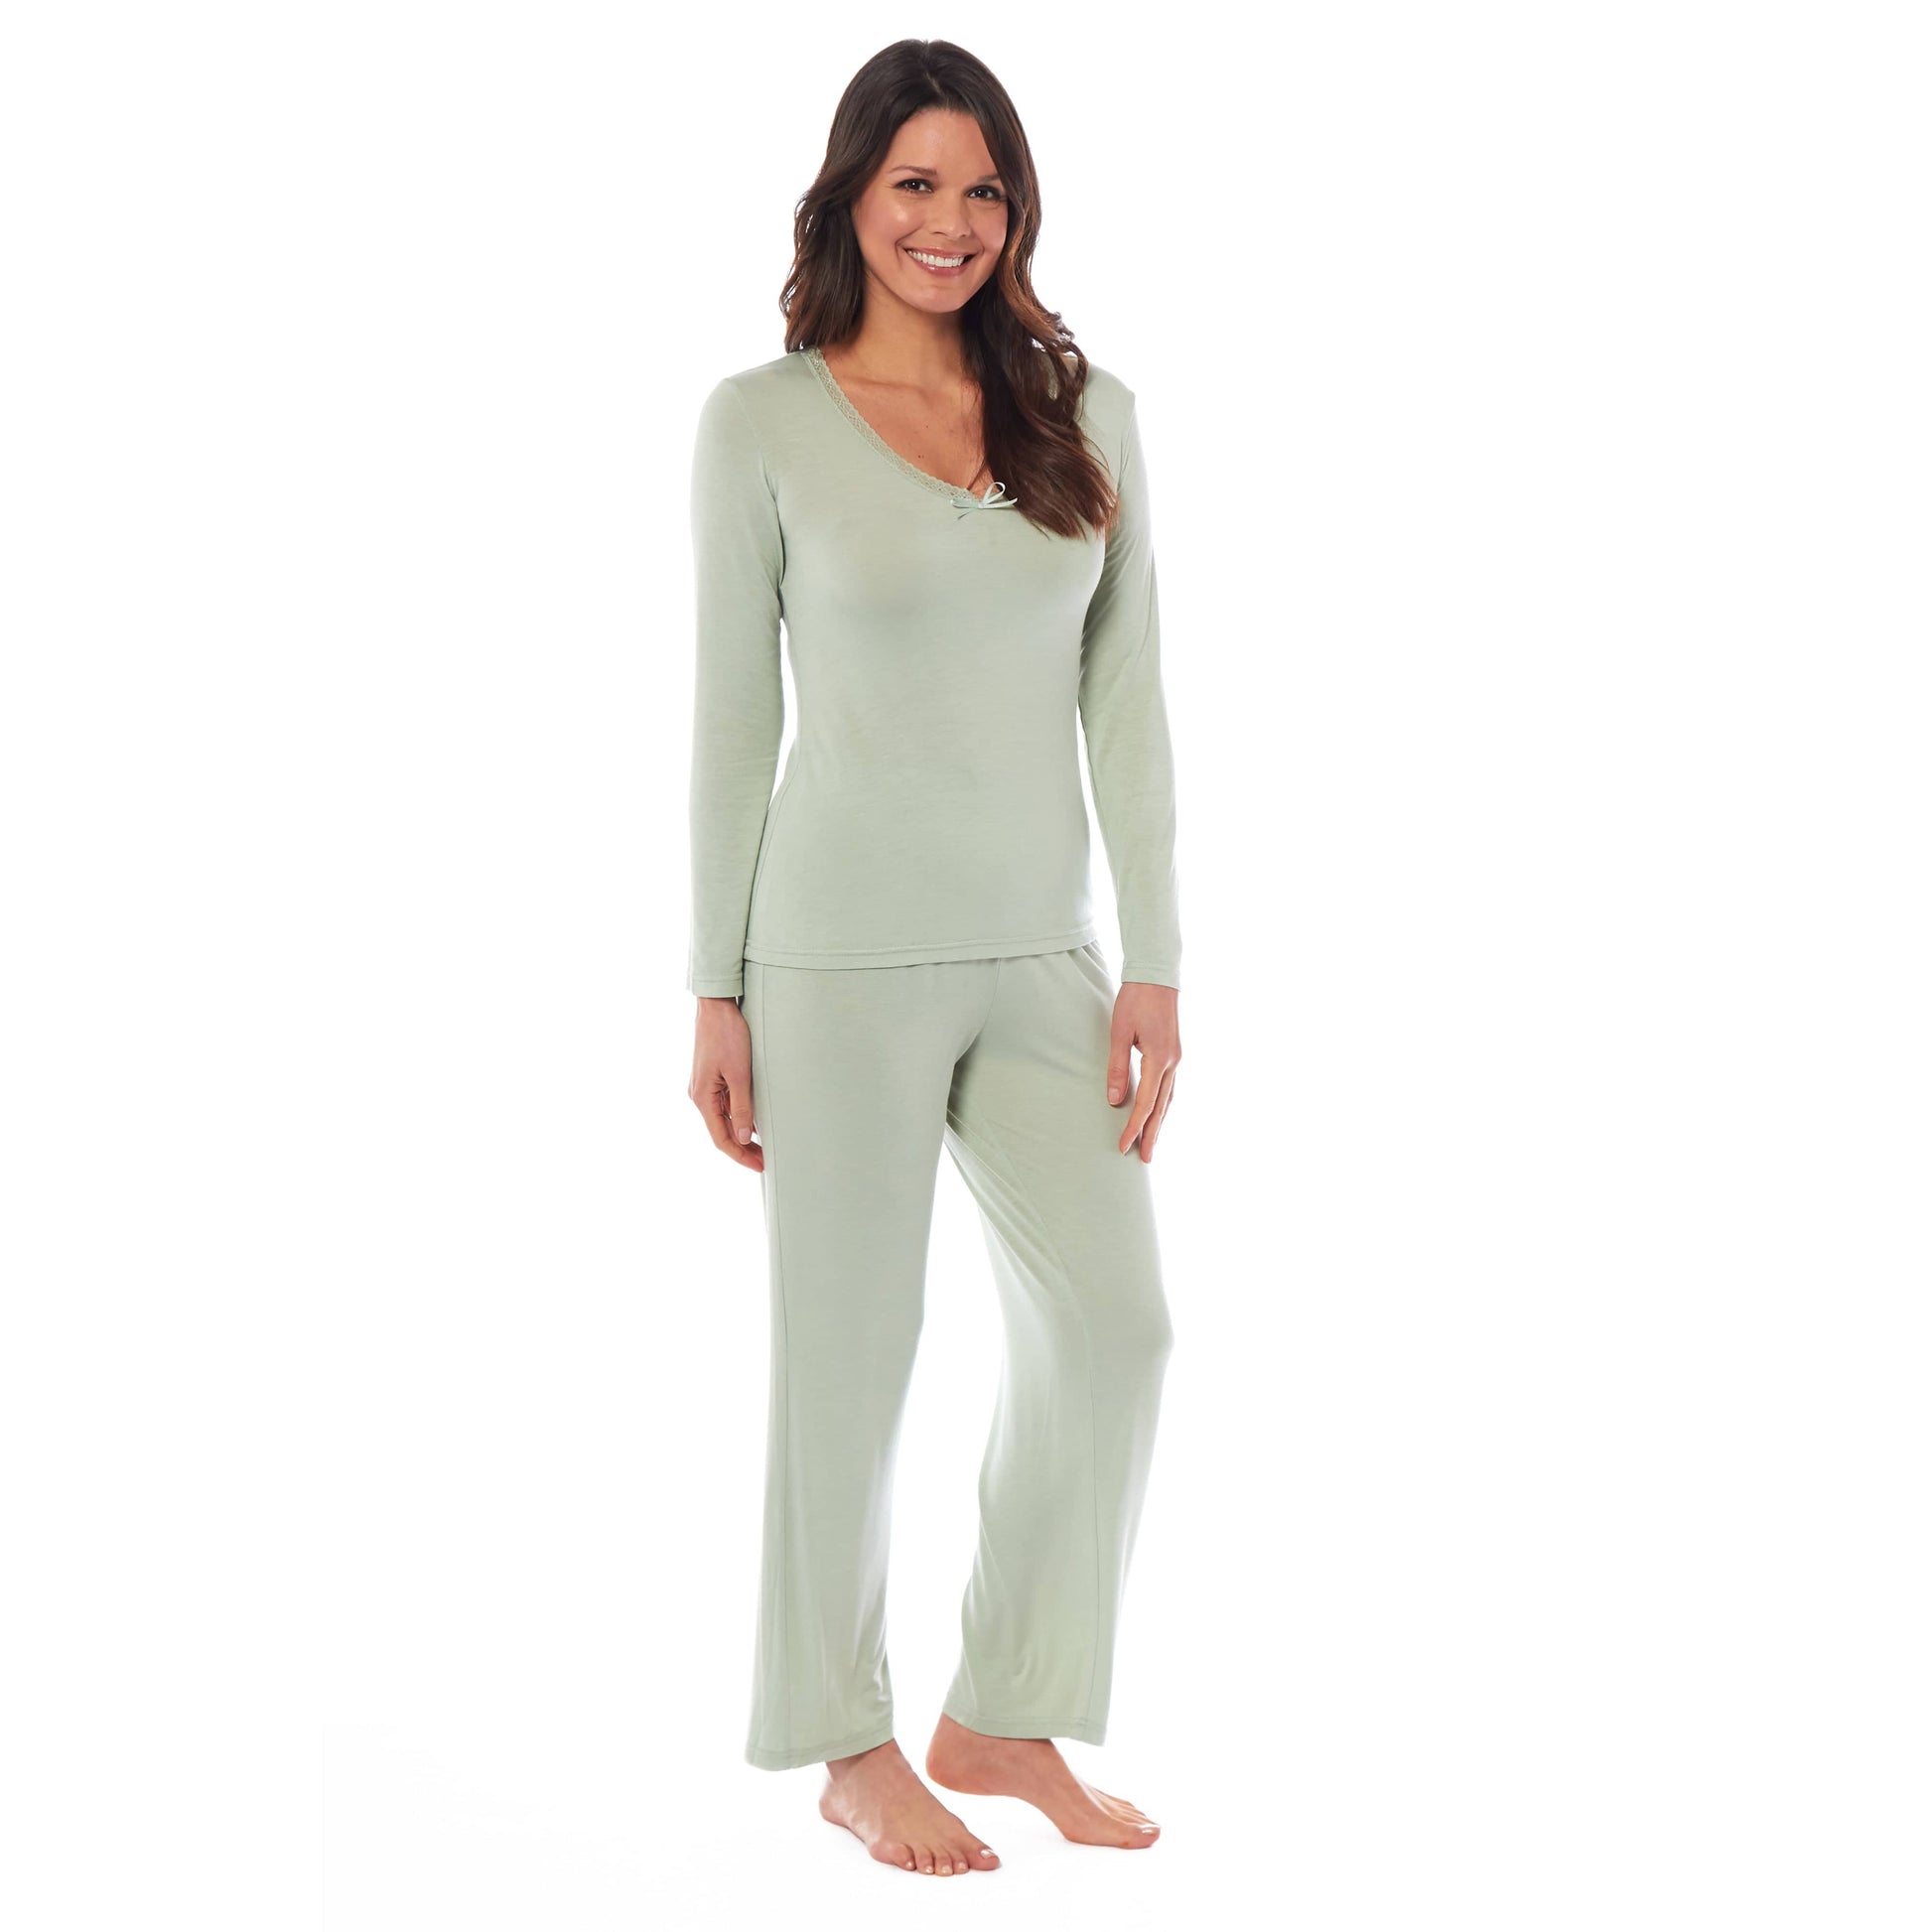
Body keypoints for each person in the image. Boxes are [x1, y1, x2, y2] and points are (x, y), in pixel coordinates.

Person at [685, 40, 1182, 1878]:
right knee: (850, 1351)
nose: (951, 221)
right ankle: (843, 1740)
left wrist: (1155, 958)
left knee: (1116, 1326)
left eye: (984, 189)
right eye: (915, 183)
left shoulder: (1085, 410)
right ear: (850, 196)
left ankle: (1005, 1708)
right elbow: (731, 720)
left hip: (1046, 955)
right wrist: (715, 982)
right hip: (831, 962)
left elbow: (1127, 700)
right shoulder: (761, 421)